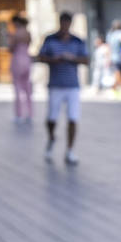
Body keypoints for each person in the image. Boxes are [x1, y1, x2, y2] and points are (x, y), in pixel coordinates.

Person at [39, 11, 89, 165]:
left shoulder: (77, 41)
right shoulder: (50, 39)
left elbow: (86, 59)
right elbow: (40, 56)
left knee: (73, 118)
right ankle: (52, 138)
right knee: (52, 118)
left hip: (72, 85)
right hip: (55, 84)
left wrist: (73, 59)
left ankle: (70, 150)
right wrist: (54, 60)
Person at [10, 15, 33, 123]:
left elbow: (11, 48)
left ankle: (19, 114)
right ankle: (30, 113)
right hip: (27, 60)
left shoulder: (16, 33)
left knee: (18, 88)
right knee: (28, 89)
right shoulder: (28, 33)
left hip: (18, 60)